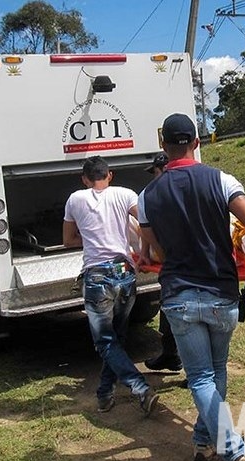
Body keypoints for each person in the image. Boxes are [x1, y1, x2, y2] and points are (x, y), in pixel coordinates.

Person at [138, 113, 245, 461]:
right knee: (216, 371)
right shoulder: (222, 180)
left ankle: (231, 449)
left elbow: (157, 252)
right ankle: (205, 442)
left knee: (201, 377)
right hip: (221, 292)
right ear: (197, 143)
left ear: (163, 146)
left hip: (179, 295)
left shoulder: (147, 197)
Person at [63, 156, 160, 416]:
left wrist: (92, 234)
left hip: (96, 276)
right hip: (125, 272)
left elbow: (67, 240)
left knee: (105, 342)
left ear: (84, 179)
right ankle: (104, 395)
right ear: (110, 174)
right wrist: (147, 251)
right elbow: (146, 224)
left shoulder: (75, 199)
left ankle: (140, 388)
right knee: (117, 337)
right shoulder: (125, 194)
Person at [140, 152, 183, 373]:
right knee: (171, 310)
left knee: (178, 312)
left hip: (175, 264)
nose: (154, 177)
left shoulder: (149, 195)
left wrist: (159, 257)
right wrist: (146, 252)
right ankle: (171, 355)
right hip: (197, 261)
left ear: (163, 169)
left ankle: (185, 363)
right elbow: (144, 228)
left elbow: (145, 230)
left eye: (155, 172)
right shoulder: (190, 188)